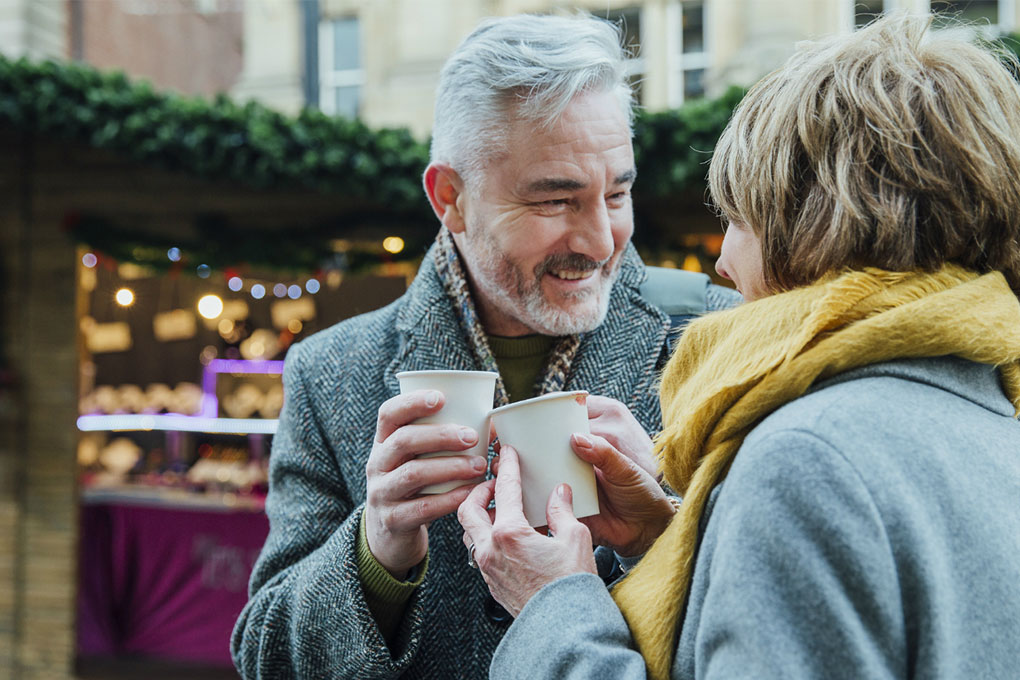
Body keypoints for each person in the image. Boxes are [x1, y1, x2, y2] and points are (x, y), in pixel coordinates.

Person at [459, 12, 1020, 680]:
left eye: (738, 216)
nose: (723, 260)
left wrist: (552, 607)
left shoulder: (810, 459)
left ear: (810, 226)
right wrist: (668, 539)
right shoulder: (987, 413)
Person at [230, 12, 741, 679]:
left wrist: (662, 532)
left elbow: (774, 625)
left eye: (617, 192)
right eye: (556, 201)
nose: (599, 239)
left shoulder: (717, 338)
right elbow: (266, 659)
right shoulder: (332, 373)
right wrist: (374, 554)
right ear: (451, 197)